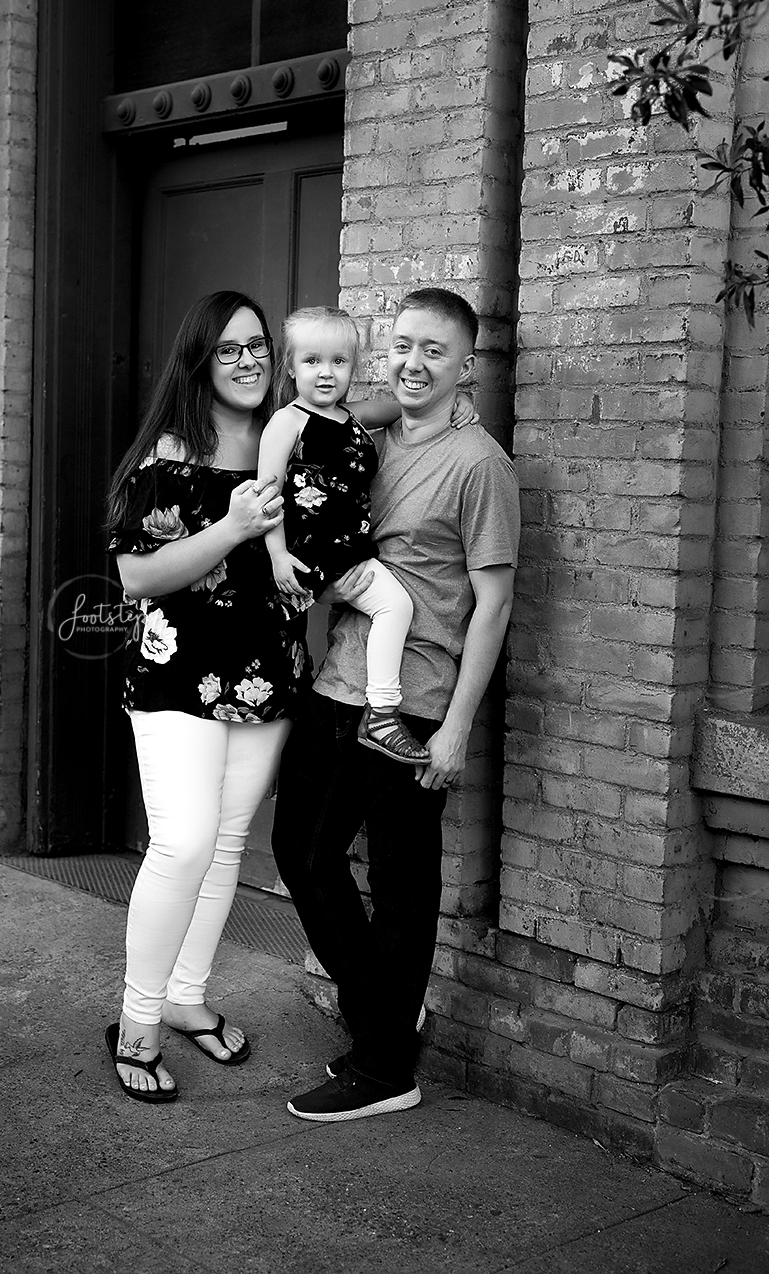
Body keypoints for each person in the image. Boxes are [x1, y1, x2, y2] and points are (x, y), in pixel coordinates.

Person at [272, 287, 521, 1122]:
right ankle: (384, 1007)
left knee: (403, 885)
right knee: (301, 853)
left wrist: (456, 728)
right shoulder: (368, 435)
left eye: (435, 352)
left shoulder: (480, 465)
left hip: (412, 703)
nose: (415, 364)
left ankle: (384, 1068)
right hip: (335, 680)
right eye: (404, 346)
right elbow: (324, 411)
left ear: (466, 364)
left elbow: (493, 604)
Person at [104, 290, 308, 1102]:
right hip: (177, 677)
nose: (250, 359)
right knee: (182, 844)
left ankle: (187, 996)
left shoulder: (287, 442)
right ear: (200, 361)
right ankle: (137, 1020)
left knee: (225, 845)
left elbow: (364, 399)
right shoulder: (169, 455)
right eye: (230, 349)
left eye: (260, 344)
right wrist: (232, 526)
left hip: (268, 675)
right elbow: (136, 576)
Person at [257, 305, 476, 765]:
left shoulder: (350, 416)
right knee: (396, 605)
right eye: (312, 361)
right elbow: (266, 495)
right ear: (291, 367)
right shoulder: (287, 422)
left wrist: (458, 399)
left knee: (391, 606)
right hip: (316, 552)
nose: (325, 373)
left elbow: (408, 402)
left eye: (339, 362)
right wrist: (277, 555)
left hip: (350, 549)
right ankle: (382, 710)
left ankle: (377, 709)